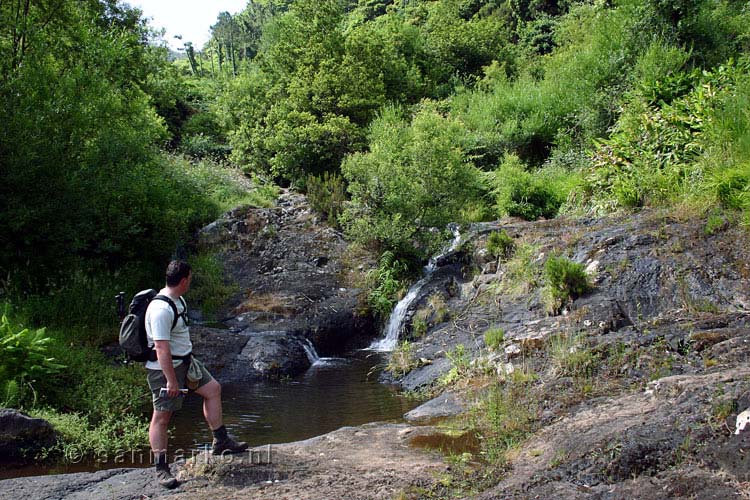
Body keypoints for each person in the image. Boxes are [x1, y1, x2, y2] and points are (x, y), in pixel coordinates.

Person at [145, 260, 247, 489]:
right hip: (166, 369)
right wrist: (171, 380)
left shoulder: (177, 300)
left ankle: (221, 441)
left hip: (187, 362)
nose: (191, 281)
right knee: (162, 417)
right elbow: (161, 348)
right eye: (190, 278)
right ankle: (161, 470)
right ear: (183, 280)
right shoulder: (161, 309)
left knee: (213, 389)